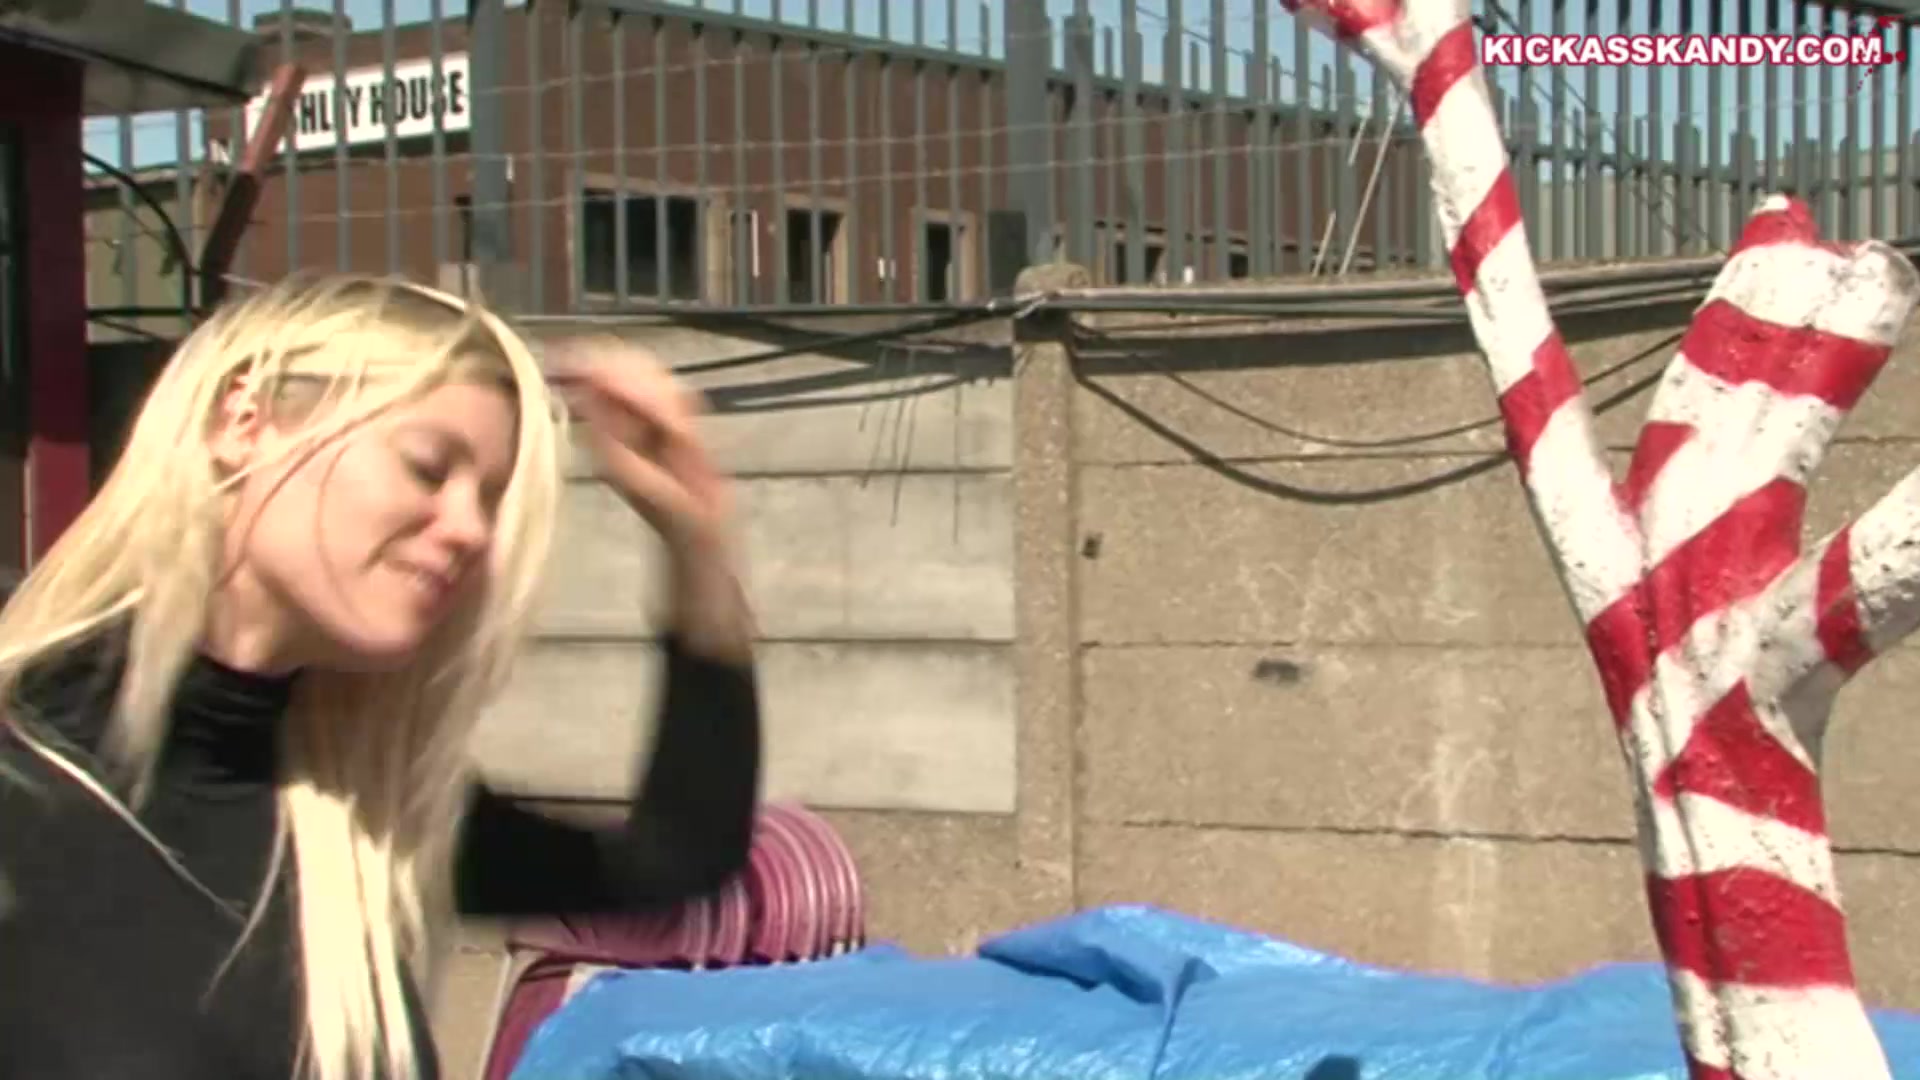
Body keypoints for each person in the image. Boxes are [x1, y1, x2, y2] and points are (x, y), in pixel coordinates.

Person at [0, 274, 762, 1080]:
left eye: (490, 498)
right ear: (243, 422)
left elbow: (675, 859)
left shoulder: (360, 809)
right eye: (428, 469)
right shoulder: (24, 772)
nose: (471, 529)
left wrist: (697, 547)